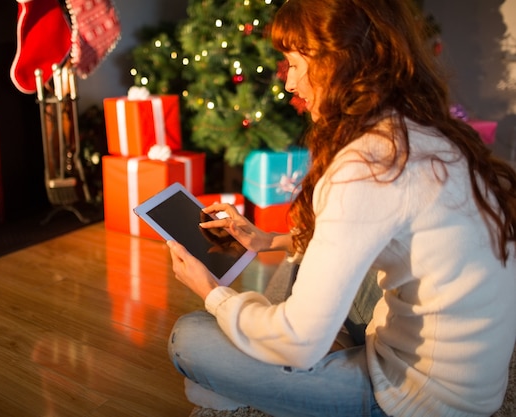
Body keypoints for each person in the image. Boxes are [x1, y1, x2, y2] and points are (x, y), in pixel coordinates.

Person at [166, 0, 516, 416]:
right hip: (471, 379)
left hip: (424, 401)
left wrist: (212, 291)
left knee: (188, 338)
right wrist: (269, 240)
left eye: (294, 64)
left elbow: (299, 341)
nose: (290, 84)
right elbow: (368, 234)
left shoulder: (367, 163)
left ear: (337, 63)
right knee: (315, 267)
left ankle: (280, 388)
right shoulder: (418, 128)